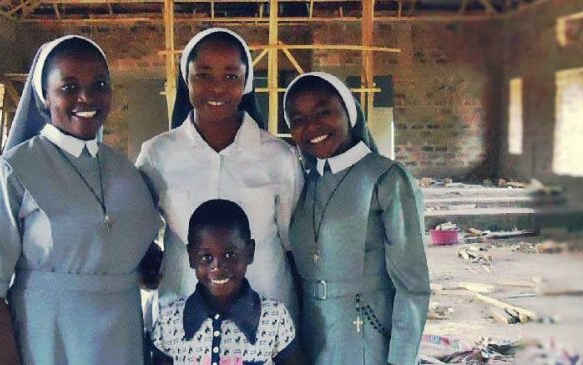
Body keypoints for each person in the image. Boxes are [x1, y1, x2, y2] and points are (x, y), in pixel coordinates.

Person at [0, 35, 161, 364]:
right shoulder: (11, 173)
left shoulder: (127, 172)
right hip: (49, 343)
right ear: (44, 97)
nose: (86, 97)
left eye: (99, 84)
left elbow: (139, 254)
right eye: (69, 87)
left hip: (124, 343)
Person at [136, 28, 303, 319]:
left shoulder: (279, 158)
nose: (217, 88)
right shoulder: (157, 155)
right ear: (186, 80)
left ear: (246, 83)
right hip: (181, 315)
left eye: (231, 77)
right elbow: (136, 232)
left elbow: (293, 243)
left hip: (266, 315)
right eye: (203, 76)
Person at [284, 72, 431, 365]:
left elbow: (412, 287)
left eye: (324, 111)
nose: (311, 126)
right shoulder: (302, 181)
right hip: (313, 335)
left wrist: (401, 360)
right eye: (298, 119)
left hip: (367, 333)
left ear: (349, 113)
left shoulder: (386, 179)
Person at [151, 199, 302, 365]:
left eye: (230, 255)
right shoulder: (169, 322)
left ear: (250, 251)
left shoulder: (274, 318)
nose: (218, 266)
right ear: (191, 257)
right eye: (206, 257)